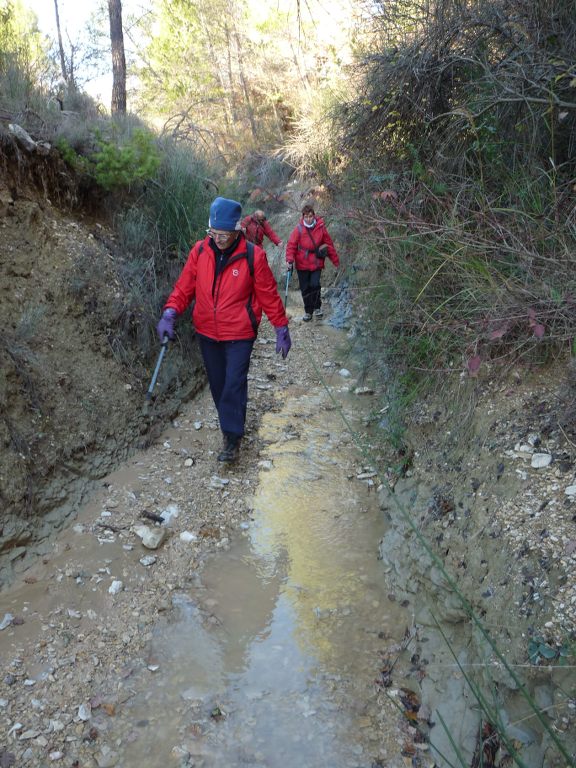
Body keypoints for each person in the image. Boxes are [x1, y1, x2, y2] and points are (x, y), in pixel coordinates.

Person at [156, 197, 291, 464]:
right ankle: (232, 424)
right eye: (214, 233)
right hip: (207, 332)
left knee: (234, 382)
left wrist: (281, 327)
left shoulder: (254, 256)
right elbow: (184, 288)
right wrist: (170, 312)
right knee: (219, 386)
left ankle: (232, 438)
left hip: (240, 333)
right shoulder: (199, 252)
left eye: (224, 234)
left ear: (237, 230)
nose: (218, 239)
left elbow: (268, 295)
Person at [285, 204, 340, 321]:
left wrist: (336, 262)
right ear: (303, 217)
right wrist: (289, 260)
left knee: (315, 285)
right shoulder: (298, 229)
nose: (309, 219)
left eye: (311, 216)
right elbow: (291, 246)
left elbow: (328, 244)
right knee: (305, 288)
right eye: (306, 217)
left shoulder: (320, 227)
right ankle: (308, 312)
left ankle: (317, 308)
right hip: (302, 263)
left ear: (314, 216)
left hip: (316, 261)